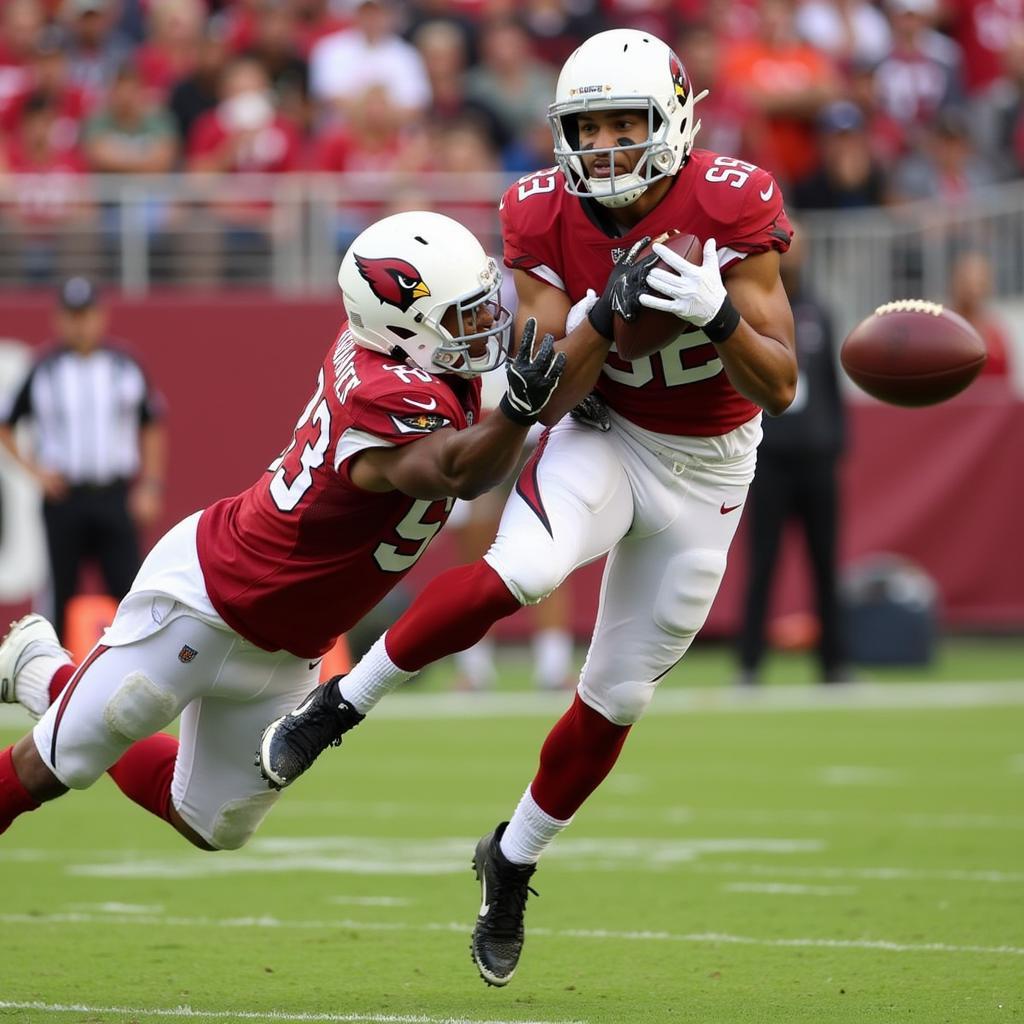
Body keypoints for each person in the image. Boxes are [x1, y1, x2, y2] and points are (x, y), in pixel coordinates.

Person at [260, 28, 797, 988]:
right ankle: (340, 702)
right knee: (524, 570)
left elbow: (783, 385)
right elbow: (542, 393)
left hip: (712, 464)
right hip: (605, 432)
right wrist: (605, 313)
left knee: (616, 696)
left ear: (672, 119)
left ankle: (510, 858)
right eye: (587, 128)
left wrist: (716, 314)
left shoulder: (733, 198)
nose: (604, 148)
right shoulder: (544, 212)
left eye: (624, 123)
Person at [0, 210, 572, 857]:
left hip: (293, 642)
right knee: (49, 767)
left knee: (211, 823)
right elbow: (450, 471)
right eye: (461, 316)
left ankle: (45, 676)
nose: (483, 326)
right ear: (402, 325)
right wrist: (520, 414)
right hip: (212, 600)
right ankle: (50, 683)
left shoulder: (412, 360)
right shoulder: (388, 392)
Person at [0, 276, 166, 644]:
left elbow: (152, 423)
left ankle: (133, 671)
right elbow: (6, 424)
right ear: (60, 319)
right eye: (72, 315)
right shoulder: (43, 369)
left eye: (86, 314)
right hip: (65, 498)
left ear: (100, 317)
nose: (80, 324)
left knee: (129, 594)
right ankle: (54, 684)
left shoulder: (124, 366)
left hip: (113, 493)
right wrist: (37, 474)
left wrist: (151, 485)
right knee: (60, 593)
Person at [735, 227, 848, 685]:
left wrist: (837, 443)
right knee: (761, 562)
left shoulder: (820, 310)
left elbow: (832, 388)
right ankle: (750, 663)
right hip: (771, 456)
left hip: (817, 458)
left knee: (826, 562)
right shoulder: (755, 310)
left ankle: (834, 664)